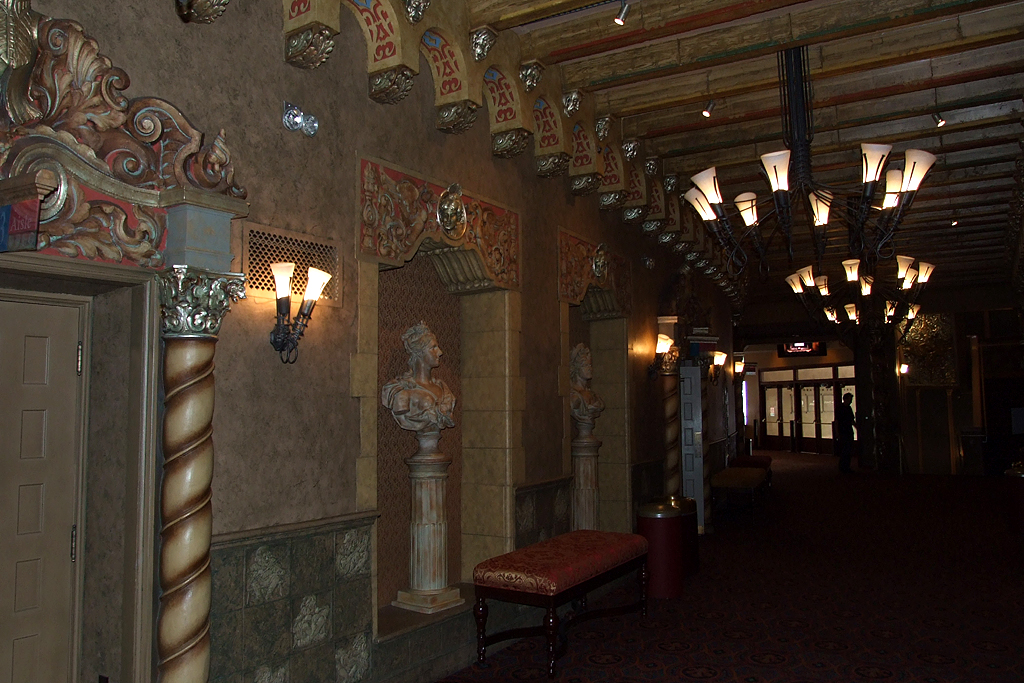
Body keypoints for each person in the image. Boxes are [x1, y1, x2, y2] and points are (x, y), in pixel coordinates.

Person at [381, 322, 455, 434]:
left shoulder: (443, 389)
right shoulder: (400, 391)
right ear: (419, 352)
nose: (440, 352)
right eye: (433, 348)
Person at [836, 392, 856, 472]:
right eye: (850, 399)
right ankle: (844, 467)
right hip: (844, 431)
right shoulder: (843, 408)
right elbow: (838, 421)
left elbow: (851, 420)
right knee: (845, 450)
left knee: (847, 450)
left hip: (846, 431)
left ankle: (845, 466)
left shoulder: (845, 408)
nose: (851, 401)